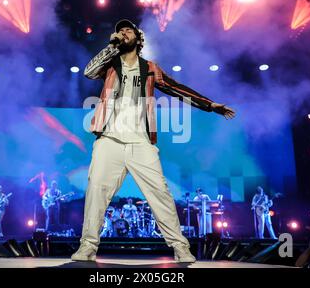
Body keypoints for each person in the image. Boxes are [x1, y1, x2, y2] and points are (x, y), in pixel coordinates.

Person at [71, 19, 236, 263]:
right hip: (109, 140)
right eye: (119, 31)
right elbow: (88, 71)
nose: (122, 33)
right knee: (96, 190)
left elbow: (176, 88)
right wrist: (111, 48)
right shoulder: (111, 64)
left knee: (161, 193)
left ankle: (180, 247)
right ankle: (88, 246)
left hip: (141, 143)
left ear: (138, 38)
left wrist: (209, 105)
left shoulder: (149, 68)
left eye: (128, 30)